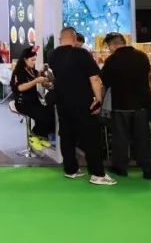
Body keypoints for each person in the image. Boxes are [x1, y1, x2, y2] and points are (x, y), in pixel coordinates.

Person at [48, 27, 114, 186]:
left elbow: (54, 77)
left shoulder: (53, 55)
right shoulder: (82, 54)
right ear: (75, 38)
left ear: (61, 39)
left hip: (62, 102)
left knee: (67, 136)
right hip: (83, 102)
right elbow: (95, 79)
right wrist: (98, 100)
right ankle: (97, 174)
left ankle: (70, 169)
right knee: (91, 138)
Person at [100, 32, 151, 180]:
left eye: (109, 46)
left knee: (121, 138)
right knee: (142, 137)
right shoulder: (142, 56)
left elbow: (105, 81)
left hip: (120, 104)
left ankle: (121, 167)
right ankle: (147, 168)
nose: (109, 49)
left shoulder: (112, 60)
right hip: (141, 104)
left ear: (112, 45)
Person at [10, 47, 55, 152]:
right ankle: (34, 135)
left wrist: (46, 81)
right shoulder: (18, 72)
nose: (34, 62)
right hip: (23, 103)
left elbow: (41, 81)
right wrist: (35, 81)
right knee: (42, 115)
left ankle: (40, 136)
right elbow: (20, 88)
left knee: (50, 113)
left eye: (35, 60)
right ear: (25, 59)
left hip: (34, 101)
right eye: (32, 60)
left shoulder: (33, 71)